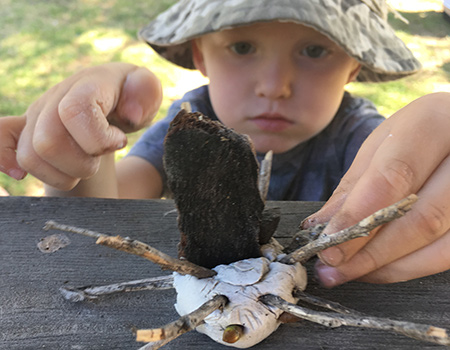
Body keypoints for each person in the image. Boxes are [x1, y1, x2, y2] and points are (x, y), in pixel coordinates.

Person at [1, 0, 449, 288]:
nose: (275, 86)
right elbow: (106, 209)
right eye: (242, 47)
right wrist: (86, 141)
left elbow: (407, 181)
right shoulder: (192, 127)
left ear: (354, 67)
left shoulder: (358, 135)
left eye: (315, 51)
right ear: (200, 56)